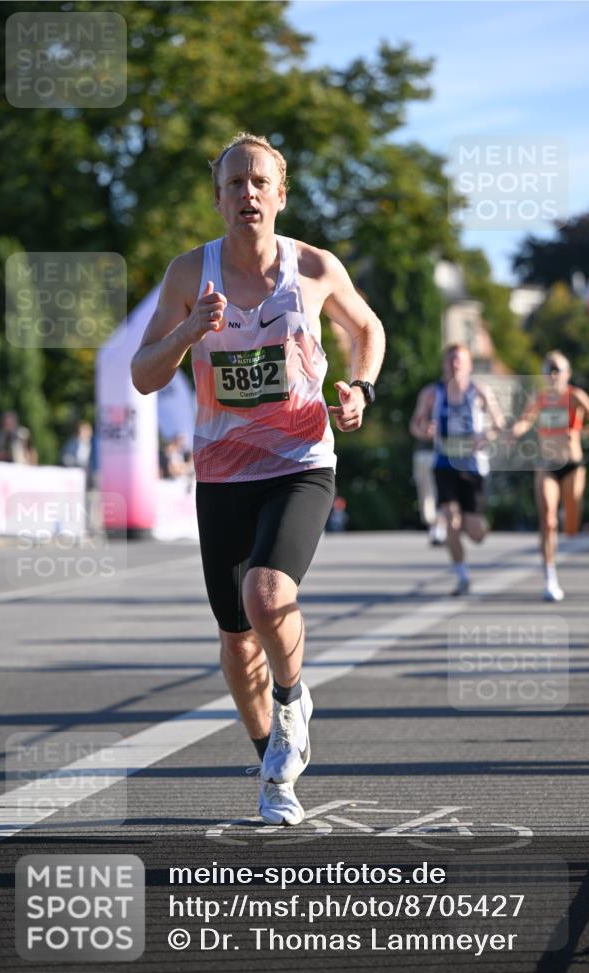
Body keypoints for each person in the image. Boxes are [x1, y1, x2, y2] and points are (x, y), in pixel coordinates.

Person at [130, 133, 385, 826]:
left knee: (267, 593)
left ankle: (294, 696)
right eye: (234, 183)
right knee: (235, 635)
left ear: (279, 194)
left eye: (258, 182)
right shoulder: (189, 274)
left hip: (300, 462)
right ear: (217, 198)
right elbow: (142, 376)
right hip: (221, 472)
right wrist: (187, 334)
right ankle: (272, 764)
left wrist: (359, 385)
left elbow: (368, 328)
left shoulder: (314, 267)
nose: (246, 192)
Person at [510, 350, 589, 601]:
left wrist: (582, 432)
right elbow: (525, 420)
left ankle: (569, 515)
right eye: (548, 370)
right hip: (547, 465)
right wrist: (515, 431)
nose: (553, 375)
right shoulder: (539, 397)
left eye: (558, 370)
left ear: (567, 374)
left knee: (571, 526)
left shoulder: (575, 396)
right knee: (548, 521)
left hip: (573, 465)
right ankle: (550, 578)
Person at [411, 343, 505, 595]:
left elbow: (499, 424)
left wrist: (485, 437)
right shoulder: (432, 393)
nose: (455, 365)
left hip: (473, 467)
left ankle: (471, 524)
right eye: (451, 360)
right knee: (451, 519)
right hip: (444, 463)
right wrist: (424, 431)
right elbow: (415, 424)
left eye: (459, 361)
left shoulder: (480, 391)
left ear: (469, 364)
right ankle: (462, 575)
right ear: (444, 364)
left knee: (475, 533)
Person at [409, 385, 446, 545]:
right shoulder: (427, 395)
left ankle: (440, 527)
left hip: (444, 454)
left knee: (442, 491)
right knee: (426, 492)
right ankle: (434, 525)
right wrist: (425, 433)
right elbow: (414, 426)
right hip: (424, 452)